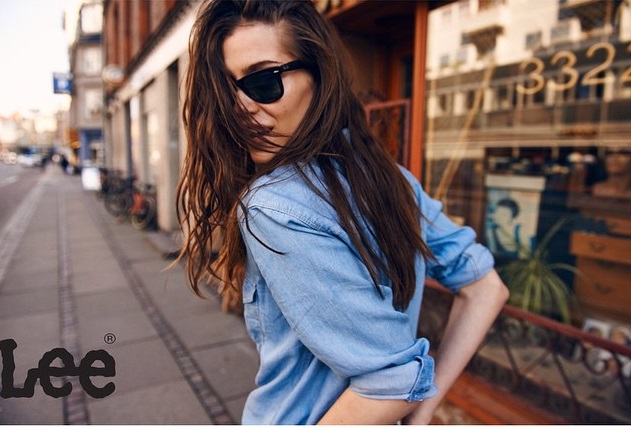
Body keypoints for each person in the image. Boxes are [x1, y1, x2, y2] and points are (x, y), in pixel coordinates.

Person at [175, 0, 509, 424]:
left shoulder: (273, 205)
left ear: (318, 76)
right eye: (226, 90)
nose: (240, 108)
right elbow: (485, 287)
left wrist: (412, 399)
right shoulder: (391, 178)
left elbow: (392, 380)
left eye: (262, 81)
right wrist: (421, 413)